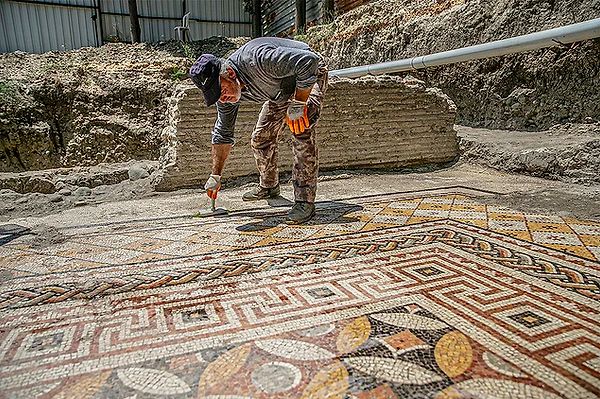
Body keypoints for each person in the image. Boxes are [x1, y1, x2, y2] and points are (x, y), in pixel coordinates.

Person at [189, 37, 328, 224]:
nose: (222, 99)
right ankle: (269, 186)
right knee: (261, 138)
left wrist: (299, 104)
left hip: (308, 74)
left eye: (221, 92)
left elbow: (308, 61)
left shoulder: (258, 59)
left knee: (300, 130)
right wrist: (216, 175)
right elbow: (223, 132)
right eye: (216, 96)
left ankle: (305, 202)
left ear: (230, 73)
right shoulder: (227, 95)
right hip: (279, 89)